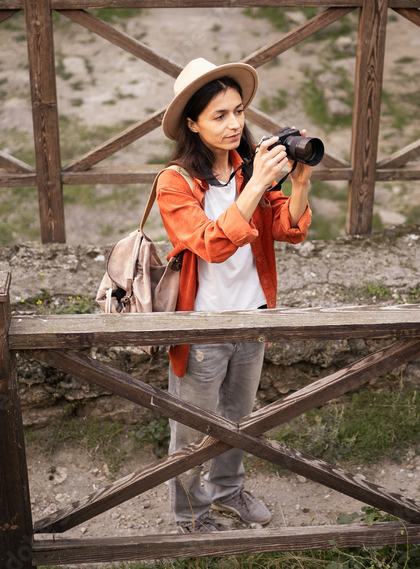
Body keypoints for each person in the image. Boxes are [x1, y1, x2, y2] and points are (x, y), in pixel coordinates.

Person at [156, 57, 314, 533]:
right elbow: (211, 244)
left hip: (253, 319)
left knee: (239, 422)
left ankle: (227, 492)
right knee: (190, 433)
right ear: (192, 123)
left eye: (239, 112)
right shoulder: (175, 183)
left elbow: (290, 229)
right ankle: (190, 514)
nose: (234, 125)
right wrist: (261, 183)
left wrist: (300, 183)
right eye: (219, 115)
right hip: (201, 326)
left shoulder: (250, 173)